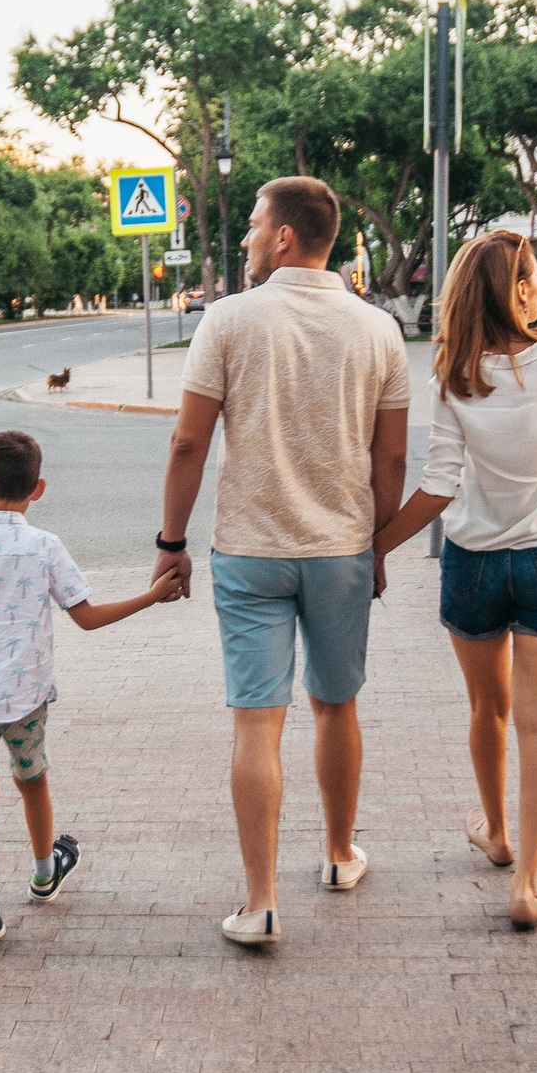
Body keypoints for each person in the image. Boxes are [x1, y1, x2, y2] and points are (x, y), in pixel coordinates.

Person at [158, 176, 412, 948]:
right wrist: (378, 542)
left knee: (256, 723)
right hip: (340, 548)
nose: (242, 242)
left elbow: (189, 443)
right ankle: (339, 855)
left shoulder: (229, 321)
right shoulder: (379, 331)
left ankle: (261, 899)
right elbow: (392, 454)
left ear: (284, 239)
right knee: (336, 704)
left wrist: (171, 543)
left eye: (253, 228)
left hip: (250, 551)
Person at [373, 232, 537, 929]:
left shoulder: (457, 372)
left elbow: (439, 485)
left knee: (490, 709)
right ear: (518, 290)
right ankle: (529, 883)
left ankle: (496, 832)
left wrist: (376, 549)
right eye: (533, 275)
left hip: (475, 561)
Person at [0, 430, 182, 953]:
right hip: (25, 697)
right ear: (38, 489)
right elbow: (86, 617)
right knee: (32, 778)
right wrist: (151, 597)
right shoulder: (44, 547)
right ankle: (45, 873)